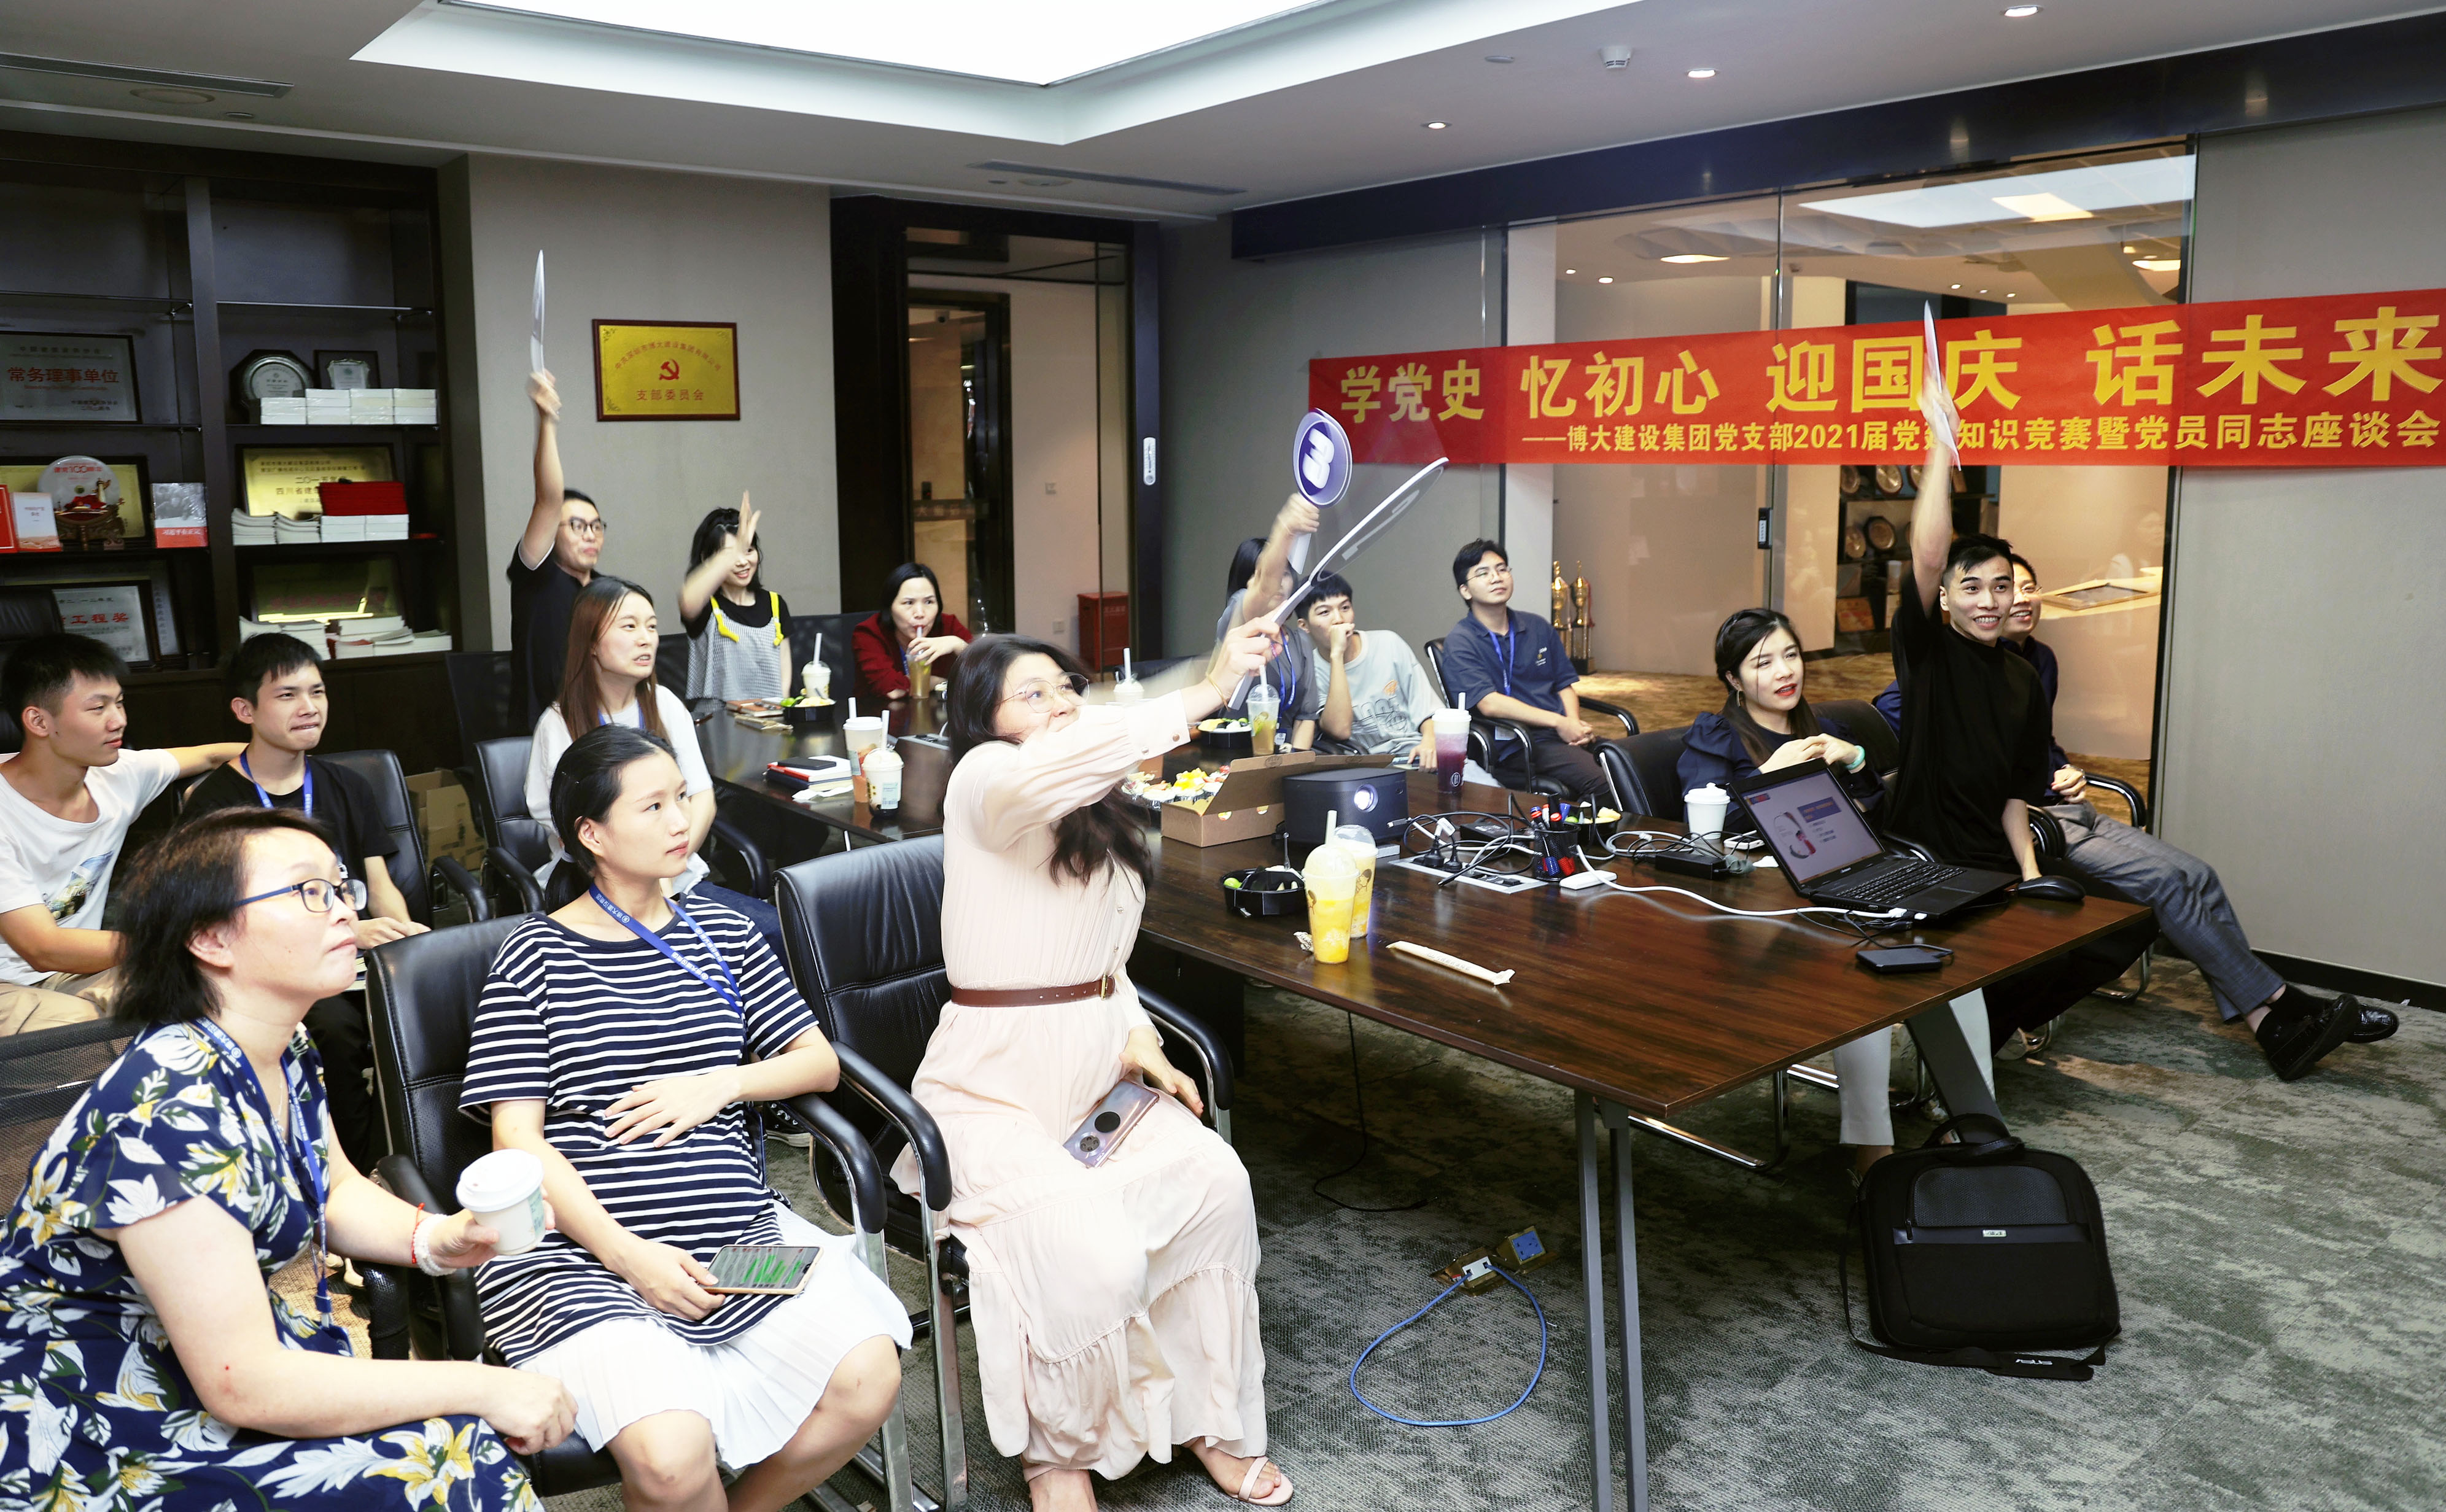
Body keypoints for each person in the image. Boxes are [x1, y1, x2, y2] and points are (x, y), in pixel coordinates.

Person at [0, 805, 573, 1507]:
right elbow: (245, 1384)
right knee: (454, 1460)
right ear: (210, 937)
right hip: (92, 1416)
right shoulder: (169, 1110)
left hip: (197, 1360)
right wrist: (484, 1384)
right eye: (309, 891)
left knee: (454, 1445)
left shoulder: (280, 1044)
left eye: (339, 887)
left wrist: (437, 1238)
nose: (344, 910)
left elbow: (329, 1184)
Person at [464, 725, 908, 1511]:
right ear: (591, 835)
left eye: (681, 798)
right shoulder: (534, 954)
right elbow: (517, 1140)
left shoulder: (725, 932)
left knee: (868, 1378)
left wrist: (721, 1084)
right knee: (671, 1460)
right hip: (587, 1259)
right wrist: (631, 1257)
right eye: (654, 807)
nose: (682, 820)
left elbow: (818, 1063)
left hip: (736, 1238)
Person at [909, 624, 1288, 1510]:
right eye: (1032, 693)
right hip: (990, 1091)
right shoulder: (985, 782)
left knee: (1217, 1185)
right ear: (984, 717)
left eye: (1065, 688)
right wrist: (1207, 689)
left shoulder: (1097, 807)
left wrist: (1139, 1033)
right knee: (1095, 1254)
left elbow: (1106, 961)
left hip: (1093, 1073)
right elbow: (1068, 759)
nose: (1059, 704)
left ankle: (1206, 1414)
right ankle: (1059, 1454)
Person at [1892, 400, 2356, 1079]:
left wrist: (2030, 875)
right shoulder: (1929, 653)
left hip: (2001, 857)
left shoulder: (2022, 678)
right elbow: (1930, 551)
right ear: (1944, 598)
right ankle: (1962, 1047)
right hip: (1934, 858)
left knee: (2130, 920)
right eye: (1972, 588)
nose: (1989, 601)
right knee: (2082, 925)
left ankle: (1985, 1031)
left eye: (2001, 586)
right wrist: (1941, 444)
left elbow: (2016, 795)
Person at [1997, 554, 2397, 1059]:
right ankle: (2285, 1002)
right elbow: (1976, 755)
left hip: (2070, 804)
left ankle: (2268, 1027)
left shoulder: (2041, 659)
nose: (2022, 598)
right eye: (2008, 588)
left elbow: (2040, 744)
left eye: (2029, 587)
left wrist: (2067, 768)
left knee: (2200, 875)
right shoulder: (1982, 671)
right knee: (2166, 882)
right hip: (2036, 822)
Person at [181, 631, 431, 1169]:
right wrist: (348, 931)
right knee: (335, 1032)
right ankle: (353, 1173)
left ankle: (422, 1159)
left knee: (434, 1000)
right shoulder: (216, 804)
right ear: (245, 710)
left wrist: (409, 946)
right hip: (278, 968)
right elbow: (230, 919)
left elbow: (379, 886)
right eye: (288, 695)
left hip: (358, 956)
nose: (310, 707)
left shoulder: (348, 785)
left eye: (317, 691)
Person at [1682, 608, 1898, 1178]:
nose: (1784, 671)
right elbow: (1705, 833)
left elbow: (1875, 811)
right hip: (1759, 909)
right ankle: (1874, 1159)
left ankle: (1976, 1122)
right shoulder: (1716, 735)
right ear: (1733, 678)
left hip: (1838, 883)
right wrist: (1767, 774)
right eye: (1763, 662)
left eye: (1791, 655)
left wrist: (1855, 759)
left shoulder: (1823, 728)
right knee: (1865, 975)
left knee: (1948, 962)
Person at [0, 634, 243, 1034]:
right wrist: (175, 940)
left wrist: (296, 763)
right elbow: (42, 947)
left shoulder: (118, 775)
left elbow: (214, 754)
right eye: (98, 708)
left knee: (204, 986)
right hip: (10, 982)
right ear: (39, 721)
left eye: (120, 702)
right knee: (79, 1029)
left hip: (72, 973)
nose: (118, 720)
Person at [526, 576, 782, 945]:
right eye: (629, 627)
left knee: (775, 933)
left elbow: (702, 798)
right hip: (598, 891)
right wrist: (647, 879)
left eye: (651, 626)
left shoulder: (665, 705)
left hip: (677, 883)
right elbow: (568, 828)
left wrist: (668, 868)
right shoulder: (558, 723)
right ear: (591, 642)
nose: (646, 639)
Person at [1440, 539, 1626, 802]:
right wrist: (1560, 722)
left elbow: (1564, 685)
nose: (1496, 578)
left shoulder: (1537, 626)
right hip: (1518, 744)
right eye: (1483, 573)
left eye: (1502, 569)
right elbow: (1490, 704)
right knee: (1606, 783)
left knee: (1632, 766)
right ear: (1465, 591)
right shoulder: (1461, 641)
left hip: (1559, 735)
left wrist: (1572, 724)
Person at [1297, 571, 1495, 783]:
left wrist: (1430, 742)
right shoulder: (1309, 670)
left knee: (1488, 790)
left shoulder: (1389, 644)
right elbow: (1340, 730)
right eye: (1325, 612)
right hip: (1370, 770)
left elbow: (1428, 710)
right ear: (1304, 626)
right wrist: (1337, 655)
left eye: (1345, 608)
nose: (1338, 619)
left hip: (1419, 755)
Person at [508, 367, 605, 729]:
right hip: (544, 732)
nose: (589, 535)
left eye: (596, 526)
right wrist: (546, 420)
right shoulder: (537, 577)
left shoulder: (606, 592)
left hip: (600, 728)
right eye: (577, 526)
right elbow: (548, 501)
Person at [1216, 499, 1322, 748]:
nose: (1278, 584)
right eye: (1264, 575)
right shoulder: (1236, 619)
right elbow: (1262, 591)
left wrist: (1295, 762)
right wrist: (1285, 531)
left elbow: (1306, 717)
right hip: (1234, 753)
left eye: (1285, 574)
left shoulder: (1300, 640)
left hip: (1285, 754)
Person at [681, 494, 794, 702]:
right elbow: (688, 601)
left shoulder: (776, 604)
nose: (742, 561)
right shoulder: (705, 605)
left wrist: (782, 711)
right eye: (732, 554)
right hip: (717, 721)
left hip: (771, 718)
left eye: (748, 550)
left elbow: (784, 678)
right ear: (707, 559)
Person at [852, 562, 971, 705]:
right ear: (890, 607)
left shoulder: (948, 626)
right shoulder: (869, 633)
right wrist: (941, 682)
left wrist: (958, 645)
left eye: (929, 602)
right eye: (909, 603)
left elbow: (988, 674)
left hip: (938, 715)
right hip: (882, 715)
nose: (920, 613)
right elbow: (892, 689)